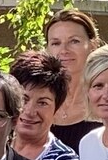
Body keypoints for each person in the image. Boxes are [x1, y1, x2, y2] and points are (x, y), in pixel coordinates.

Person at [44, 8, 102, 148]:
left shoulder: (105, 101)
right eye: (56, 43)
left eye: (74, 41)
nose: (64, 50)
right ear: (47, 49)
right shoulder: (35, 101)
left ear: (92, 45)